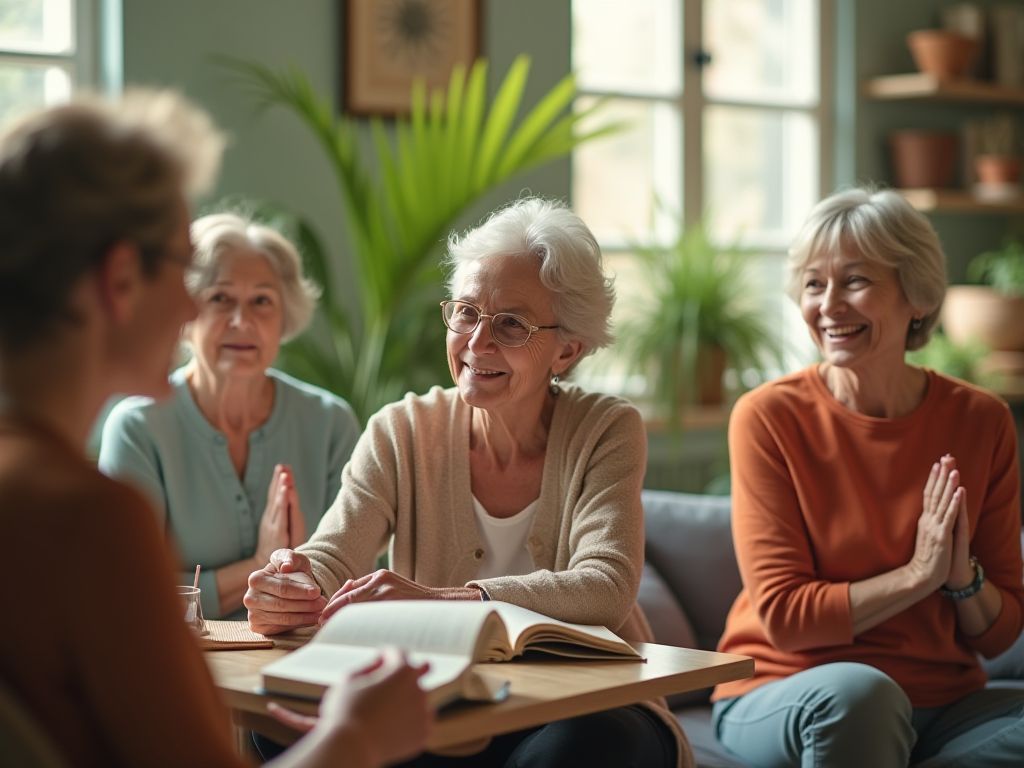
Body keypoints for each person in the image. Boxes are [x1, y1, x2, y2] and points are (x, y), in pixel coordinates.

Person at [0, 89, 430, 767]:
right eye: (183, 267)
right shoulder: (89, 520)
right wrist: (360, 735)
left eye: (258, 301)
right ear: (119, 280)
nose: (197, 306)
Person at [243, 198, 692, 768]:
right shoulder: (401, 430)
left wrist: (452, 601)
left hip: (585, 704)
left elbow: (606, 585)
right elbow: (334, 554)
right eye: (465, 312)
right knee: (286, 722)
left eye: (511, 324)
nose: (477, 343)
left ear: (567, 349)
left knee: (582, 750)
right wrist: (293, 582)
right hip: (437, 703)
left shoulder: (607, 429)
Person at [712, 187, 1024, 767]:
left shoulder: (981, 420)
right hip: (791, 688)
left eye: (854, 280)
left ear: (916, 295)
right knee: (862, 696)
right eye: (813, 283)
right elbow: (784, 619)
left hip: (944, 703)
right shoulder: (769, 417)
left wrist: (961, 579)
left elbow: (1001, 634)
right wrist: (917, 576)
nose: (828, 304)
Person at [99, 211, 360, 619]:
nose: (242, 321)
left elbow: (352, 586)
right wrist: (260, 566)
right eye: (220, 298)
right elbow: (128, 593)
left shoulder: (331, 423)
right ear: (184, 313)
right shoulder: (138, 427)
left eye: (262, 301)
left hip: (307, 658)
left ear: (284, 317)